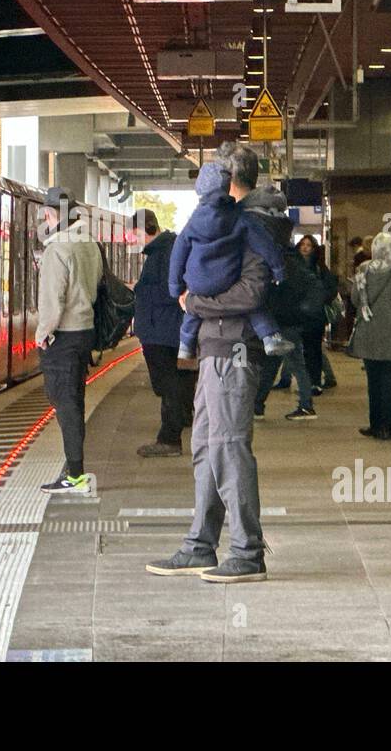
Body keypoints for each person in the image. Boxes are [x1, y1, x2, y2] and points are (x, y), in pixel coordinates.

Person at [146, 141, 270, 584]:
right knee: (205, 444)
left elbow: (253, 293)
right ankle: (200, 545)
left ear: (231, 181)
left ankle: (247, 551)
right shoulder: (222, 224)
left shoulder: (252, 225)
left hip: (235, 351)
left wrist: (195, 302)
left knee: (230, 446)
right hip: (213, 350)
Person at [170, 162, 292, 361]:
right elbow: (263, 243)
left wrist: (175, 287)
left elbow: (178, 252)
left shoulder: (193, 221)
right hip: (227, 277)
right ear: (228, 187)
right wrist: (278, 269)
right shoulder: (239, 217)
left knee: (192, 314)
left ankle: (185, 346)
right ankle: (270, 337)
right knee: (256, 308)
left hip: (198, 282)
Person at [34, 187, 103, 496]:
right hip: (85, 331)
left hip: (63, 335)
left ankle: (75, 473)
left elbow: (52, 300)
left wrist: (42, 335)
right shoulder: (89, 243)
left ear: (50, 215)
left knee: (65, 405)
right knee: (75, 400)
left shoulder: (57, 249)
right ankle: (73, 468)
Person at [130, 209, 197, 459]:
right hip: (171, 329)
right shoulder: (167, 249)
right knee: (178, 381)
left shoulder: (164, 252)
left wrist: (137, 290)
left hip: (164, 331)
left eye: (135, 234)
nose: (133, 240)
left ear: (148, 229)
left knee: (169, 384)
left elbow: (171, 292)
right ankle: (180, 421)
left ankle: (169, 439)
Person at [256, 231, 330, 422]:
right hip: (293, 321)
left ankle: (305, 406)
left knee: (290, 364)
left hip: (280, 322)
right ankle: (258, 405)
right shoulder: (298, 266)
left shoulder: (279, 266)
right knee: (275, 364)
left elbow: (272, 294)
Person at [349, 232, 391, 442]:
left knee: (374, 382)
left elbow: (355, 299)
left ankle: (375, 424)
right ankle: (388, 427)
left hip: (370, 334)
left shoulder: (363, 269)